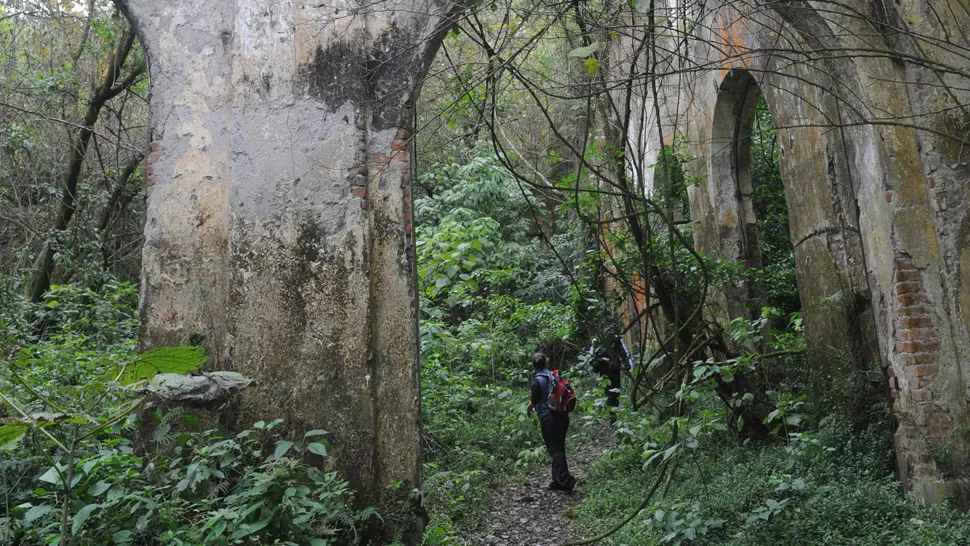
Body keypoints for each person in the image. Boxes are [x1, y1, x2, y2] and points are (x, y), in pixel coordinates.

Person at [527, 352, 576, 492]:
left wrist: (529, 409)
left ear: (533, 364)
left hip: (548, 418)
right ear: (545, 362)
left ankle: (566, 480)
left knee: (554, 449)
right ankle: (557, 481)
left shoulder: (536, 380)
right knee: (560, 447)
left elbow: (534, 401)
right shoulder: (553, 376)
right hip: (562, 415)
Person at [589, 334, 633, 408]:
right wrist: (595, 365)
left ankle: (613, 412)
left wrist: (628, 365)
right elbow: (591, 357)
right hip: (604, 370)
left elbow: (624, 353)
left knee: (616, 392)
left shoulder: (615, 339)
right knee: (609, 393)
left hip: (615, 368)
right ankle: (611, 413)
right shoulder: (596, 340)